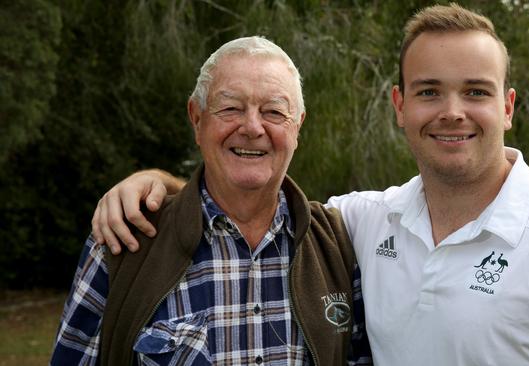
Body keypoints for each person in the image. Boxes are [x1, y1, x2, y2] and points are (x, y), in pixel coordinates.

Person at [90, 4, 529, 365]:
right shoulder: (363, 223)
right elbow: (251, 194)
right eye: (429, 91)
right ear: (400, 106)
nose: (452, 112)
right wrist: (160, 186)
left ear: (507, 108)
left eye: (476, 92)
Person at [51, 36, 371, 365]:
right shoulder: (125, 239)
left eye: (273, 111)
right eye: (230, 108)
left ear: (297, 127)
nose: (252, 127)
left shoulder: (338, 246)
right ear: (197, 118)